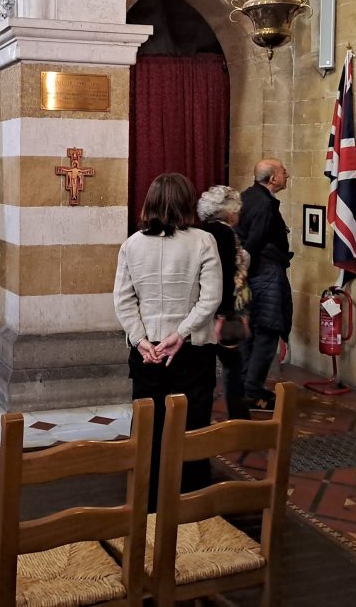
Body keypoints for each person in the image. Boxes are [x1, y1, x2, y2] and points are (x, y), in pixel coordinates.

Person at [114, 172, 222, 509]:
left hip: (148, 354)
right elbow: (211, 298)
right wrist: (182, 333)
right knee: (191, 429)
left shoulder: (132, 244)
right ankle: (189, 506)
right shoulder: (203, 241)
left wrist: (140, 339)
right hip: (189, 352)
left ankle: (146, 504)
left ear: (151, 204)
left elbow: (123, 300)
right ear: (187, 203)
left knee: (149, 429)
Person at [236, 158, 293, 412]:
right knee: (266, 333)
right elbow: (252, 244)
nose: (287, 174)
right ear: (272, 179)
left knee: (250, 333)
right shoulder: (263, 205)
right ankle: (251, 391)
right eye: (282, 171)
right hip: (265, 275)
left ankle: (247, 386)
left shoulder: (247, 197)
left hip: (252, 276)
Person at [197, 185, 251, 421]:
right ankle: (240, 422)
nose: (239, 214)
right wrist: (225, 316)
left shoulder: (203, 231)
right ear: (228, 212)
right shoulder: (224, 234)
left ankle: (200, 418)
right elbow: (225, 274)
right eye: (237, 209)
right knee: (233, 369)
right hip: (223, 312)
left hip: (208, 310)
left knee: (210, 369)